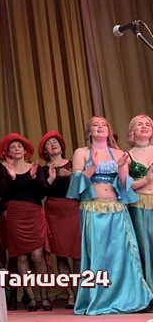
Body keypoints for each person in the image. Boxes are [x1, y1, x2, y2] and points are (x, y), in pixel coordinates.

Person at [66, 116, 153, 315]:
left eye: (103, 124)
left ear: (109, 130)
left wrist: (121, 167)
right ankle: (99, 300)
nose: (100, 127)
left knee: (123, 255)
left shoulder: (119, 153)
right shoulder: (82, 152)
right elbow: (76, 183)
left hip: (117, 208)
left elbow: (124, 184)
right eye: (95, 125)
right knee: (99, 256)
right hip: (93, 208)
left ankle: (127, 299)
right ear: (89, 131)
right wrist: (93, 167)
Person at [0, 133, 50, 312]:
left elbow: (42, 193)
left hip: (33, 213)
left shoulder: (35, 168)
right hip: (15, 215)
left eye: (19, 146)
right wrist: (12, 179)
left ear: (25, 151)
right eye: (12, 147)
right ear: (8, 152)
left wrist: (33, 178)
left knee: (37, 256)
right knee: (21, 256)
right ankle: (31, 298)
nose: (16, 149)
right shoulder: (4, 170)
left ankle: (44, 297)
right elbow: (2, 194)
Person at [38, 131, 79, 309]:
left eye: (55, 142)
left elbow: (84, 188)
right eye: (49, 143)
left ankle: (80, 293)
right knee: (61, 255)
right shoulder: (42, 169)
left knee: (77, 255)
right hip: (54, 211)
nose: (53, 144)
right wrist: (50, 178)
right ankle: (70, 294)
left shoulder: (74, 164)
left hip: (72, 208)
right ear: (45, 151)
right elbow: (40, 194)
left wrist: (71, 177)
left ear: (61, 147)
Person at [127, 114, 153, 309]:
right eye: (139, 124)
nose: (144, 126)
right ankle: (149, 293)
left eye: (148, 124)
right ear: (132, 131)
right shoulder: (126, 156)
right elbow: (125, 186)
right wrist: (146, 179)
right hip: (139, 205)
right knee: (144, 248)